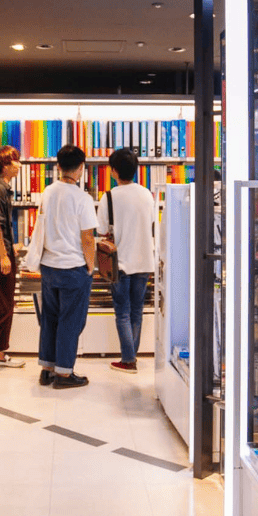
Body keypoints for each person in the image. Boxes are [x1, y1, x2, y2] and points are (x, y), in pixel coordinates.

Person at [37, 144, 97, 389]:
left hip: (49, 266)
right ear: (81, 168)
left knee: (50, 318)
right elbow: (88, 237)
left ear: (58, 166)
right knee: (71, 320)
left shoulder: (47, 192)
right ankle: (64, 374)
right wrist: (91, 266)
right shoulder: (82, 198)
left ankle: (47, 368)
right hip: (73, 267)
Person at [97, 148, 155, 374]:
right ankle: (131, 357)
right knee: (137, 310)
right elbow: (149, 222)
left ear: (113, 171)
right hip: (144, 260)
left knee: (122, 311)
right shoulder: (147, 194)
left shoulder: (109, 197)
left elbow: (102, 229)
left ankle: (128, 359)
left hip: (119, 262)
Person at [0, 145, 25, 368]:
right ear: (5, 165)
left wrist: (12, 248)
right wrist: (4, 255)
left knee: (5, 302)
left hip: (4, 251)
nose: (19, 165)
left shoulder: (2, 188)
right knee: (3, 303)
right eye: (15, 161)